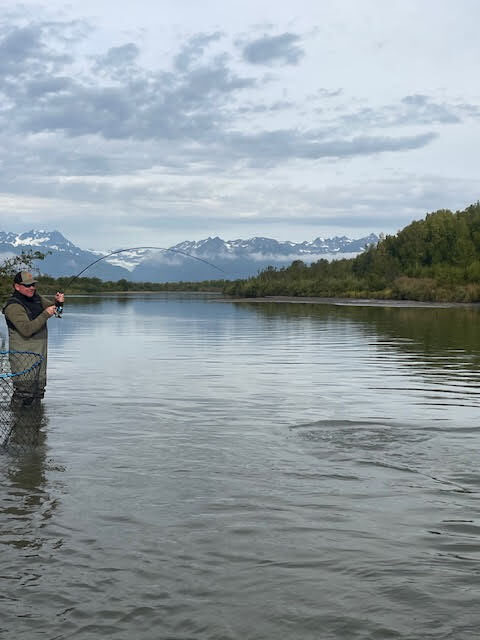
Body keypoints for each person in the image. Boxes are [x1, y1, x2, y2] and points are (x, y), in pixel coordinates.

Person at [2, 271, 64, 406]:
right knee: (24, 394)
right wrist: (46, 314)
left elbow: (55, 310)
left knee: (38, 393)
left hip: (40, 357)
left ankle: (36, 419)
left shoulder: (37, 298)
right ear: (17, 286)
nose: (31, 288)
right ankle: (17, 418)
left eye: (33, 285)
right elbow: (26, 330)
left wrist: (58, 303)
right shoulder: (13, 306)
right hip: (23, 359)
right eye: (27, 285)